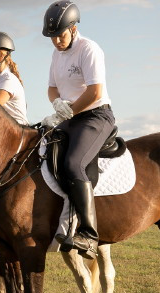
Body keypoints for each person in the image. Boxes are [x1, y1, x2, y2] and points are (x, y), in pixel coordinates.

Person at [41, 1, 115, 260]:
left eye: (60, 35)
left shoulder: (89, 49)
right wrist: (57, 103)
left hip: (96, 115)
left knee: (73, 164)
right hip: (70, 116)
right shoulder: (56, 54)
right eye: (52, 37)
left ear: (73, 28)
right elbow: (52, 88)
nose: (56, 41)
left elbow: (95, 91)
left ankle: (89, 234)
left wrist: (68, 111)